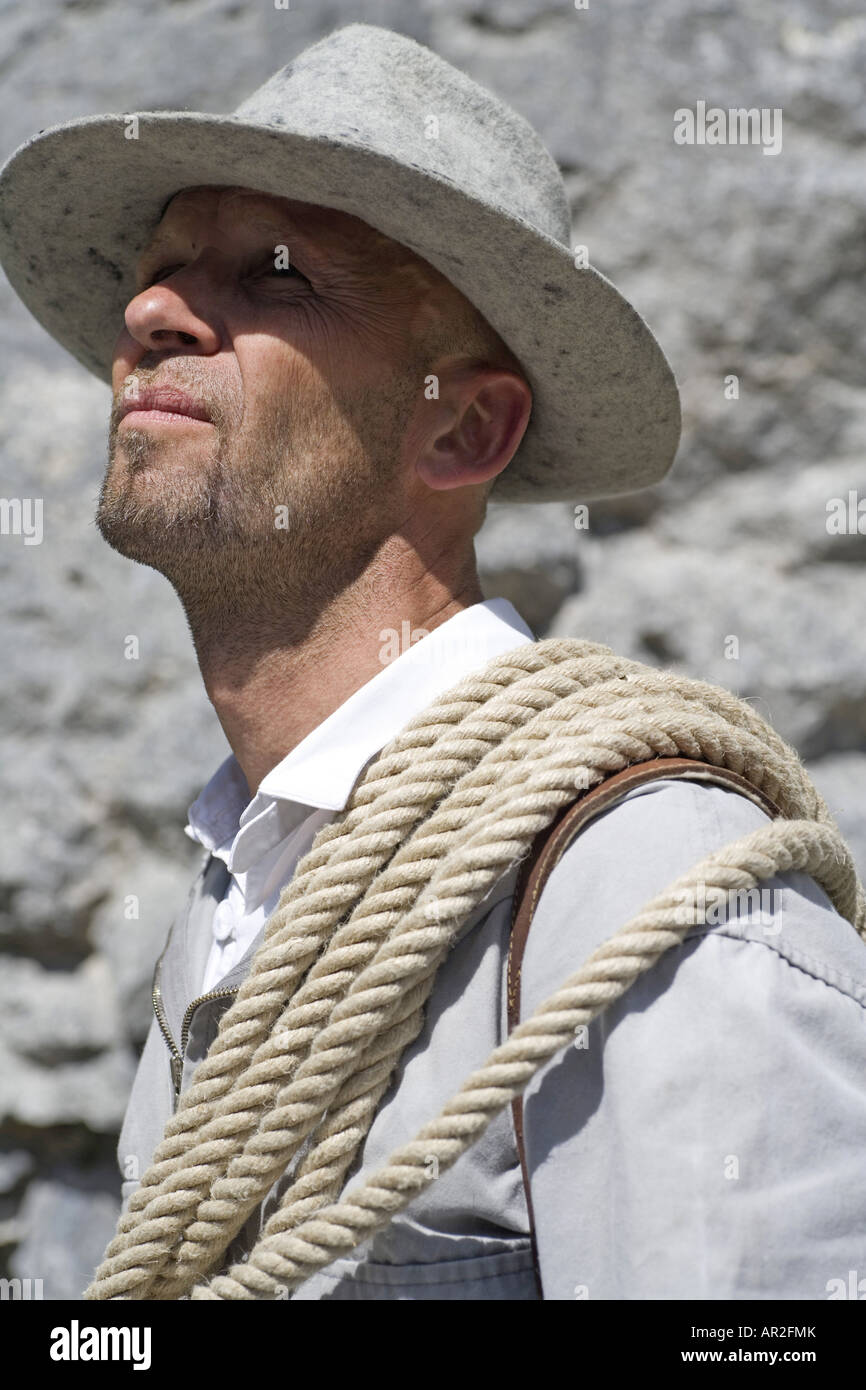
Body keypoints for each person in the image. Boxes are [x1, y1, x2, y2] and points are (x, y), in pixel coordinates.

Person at [1, 23, 864, 1302]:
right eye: (163, 269)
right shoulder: (241, 889)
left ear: (463, 427)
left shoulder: (653, 894)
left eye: (276, 277)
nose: (149, 311)